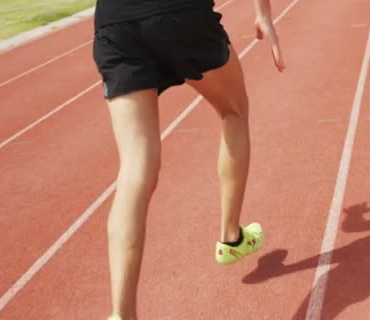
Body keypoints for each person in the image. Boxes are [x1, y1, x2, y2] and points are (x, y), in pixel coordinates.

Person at [91, 0, 285, 319]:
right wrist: (263, 14)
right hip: (180, 12)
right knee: (233, 111)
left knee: (136, 163)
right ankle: (230, 236)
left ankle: (121, 313)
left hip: (116, 22)